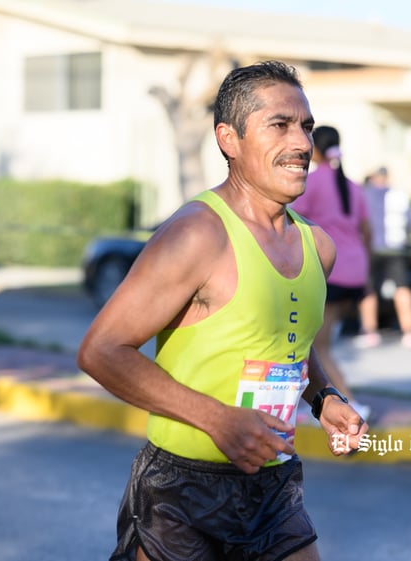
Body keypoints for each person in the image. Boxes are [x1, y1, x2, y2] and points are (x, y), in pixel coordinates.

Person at [77, 60, 368, 561]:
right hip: (181, 492)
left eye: (306, 127)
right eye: (280, 124)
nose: (301, 143)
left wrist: (324, 398)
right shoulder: (197, 234)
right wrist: (217, 420)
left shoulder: (317, 246)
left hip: (273, 486)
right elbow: (101, 350)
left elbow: (289, 346)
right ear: (228, 139)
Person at [289, 125, 372, 420]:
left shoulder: (311, 182)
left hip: (330, 272)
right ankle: (305, 401)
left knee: (318, 347)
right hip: (355, 270)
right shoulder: (353, 186)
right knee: (318, 342)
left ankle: (351, 405)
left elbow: (291, 220)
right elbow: (366, 231)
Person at [357, 166, 411, 349]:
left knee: (369, 289)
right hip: (396, 247)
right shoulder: (400, 195)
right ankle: (409, 332)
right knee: (402, 288)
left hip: (372, 247)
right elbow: (410, 222)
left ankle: (370, 331)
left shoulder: (365, 194)